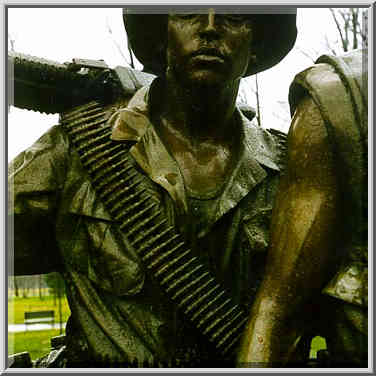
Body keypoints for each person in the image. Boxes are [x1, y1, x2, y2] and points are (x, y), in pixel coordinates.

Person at [9, 8, 365, 368]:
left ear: (254, 44)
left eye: (235, 16)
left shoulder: (296, 173)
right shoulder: (81, 149)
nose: (210, 28)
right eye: (187, 12)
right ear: (161, 37)